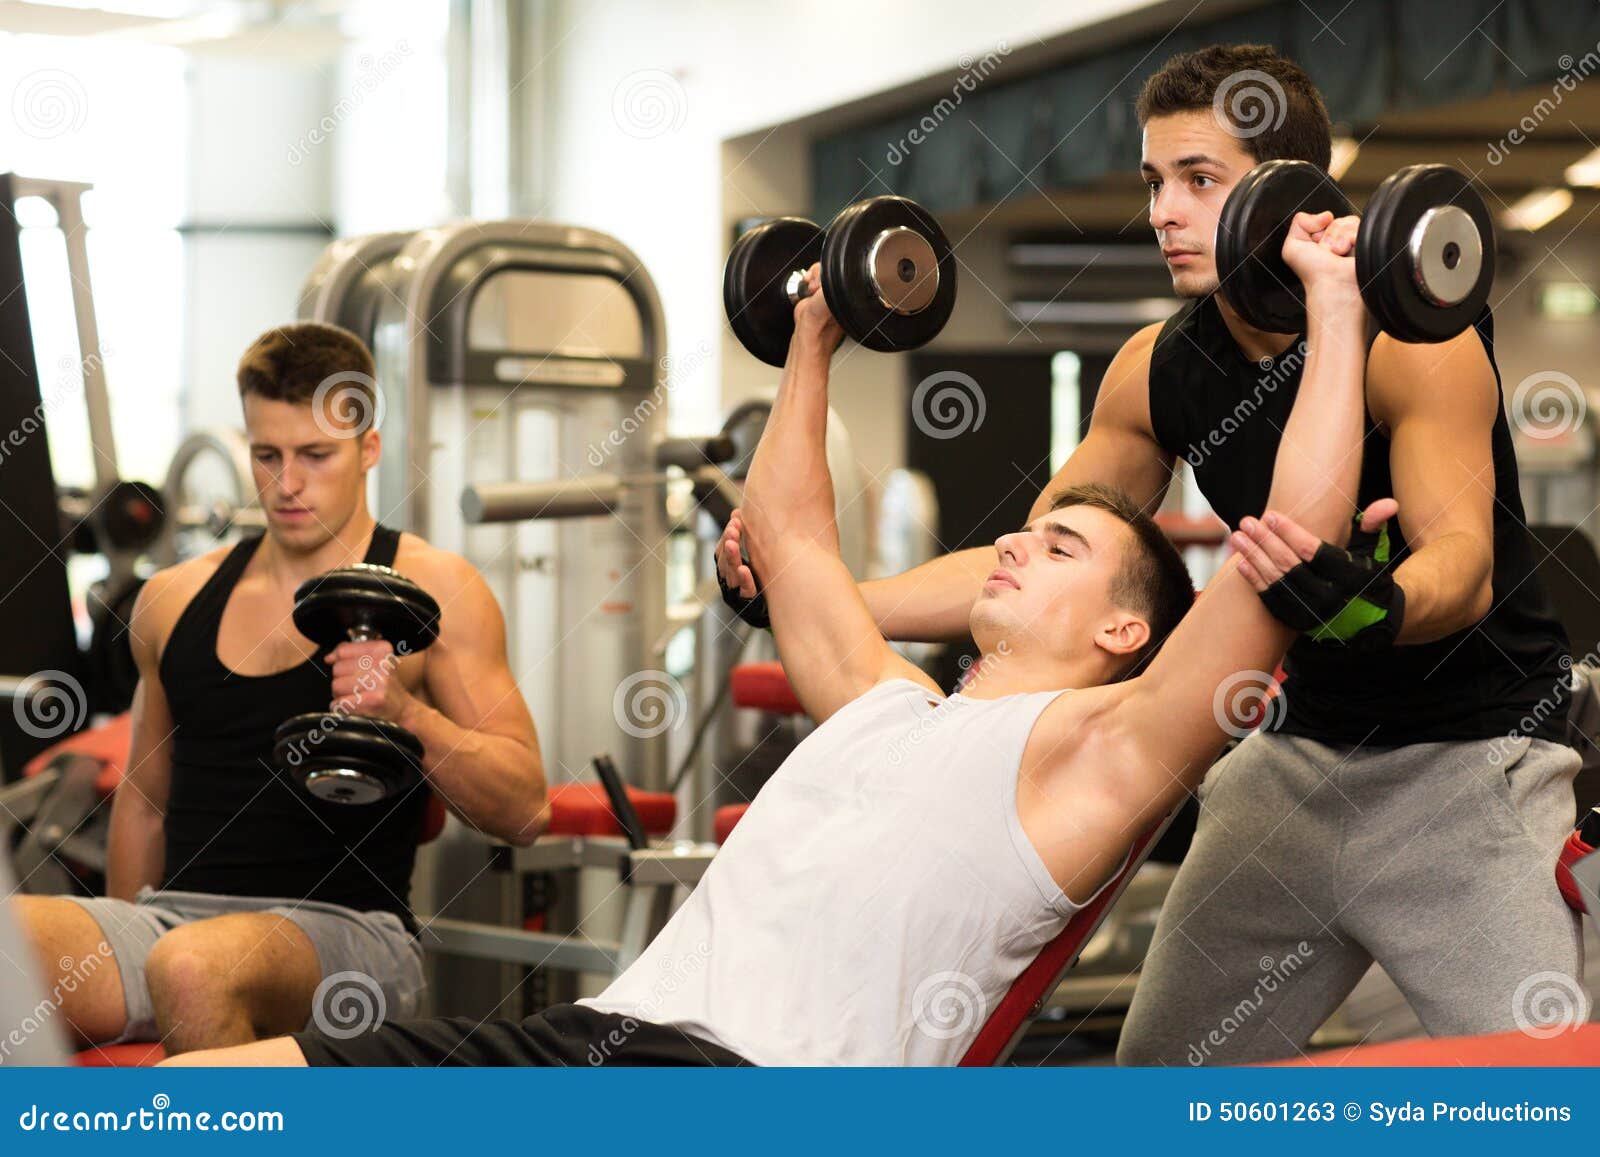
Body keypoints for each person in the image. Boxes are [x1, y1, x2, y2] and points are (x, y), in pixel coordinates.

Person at [166, 201, 1370, 1067]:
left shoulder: (1102, 748)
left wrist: (1332, 297)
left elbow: (1296, 540)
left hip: (738, 1087)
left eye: (1057, 548)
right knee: (196, 1103)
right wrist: (812, 335)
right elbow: (794, 538)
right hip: (596, 1044)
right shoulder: (887, 702)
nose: (1012, 540)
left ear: (1124, 627)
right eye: (1025, 531)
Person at [719, 43, 1579, 1063]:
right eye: (1154, 182)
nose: (1162, 211)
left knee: (1546, 1096)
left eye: (1198, 181)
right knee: (1158, 1087)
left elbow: (1461, 567)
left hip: (1467, 770)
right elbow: (1032, 563)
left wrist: (1370, 601)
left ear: (1285, 196)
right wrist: (815, 592)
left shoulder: (1412, 341)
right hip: (1292, 768)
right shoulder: (1155, 370)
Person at [13, 322, 547, 1056]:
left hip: (354, 937)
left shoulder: (436, 588)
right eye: (267, 455)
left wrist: (404, 712)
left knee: (193, 968)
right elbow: (143, 801)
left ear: (369, 450)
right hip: (175, 924)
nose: (286, 483)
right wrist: (126, 954)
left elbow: (525, 807)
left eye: (314, 455)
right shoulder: (173, 597)